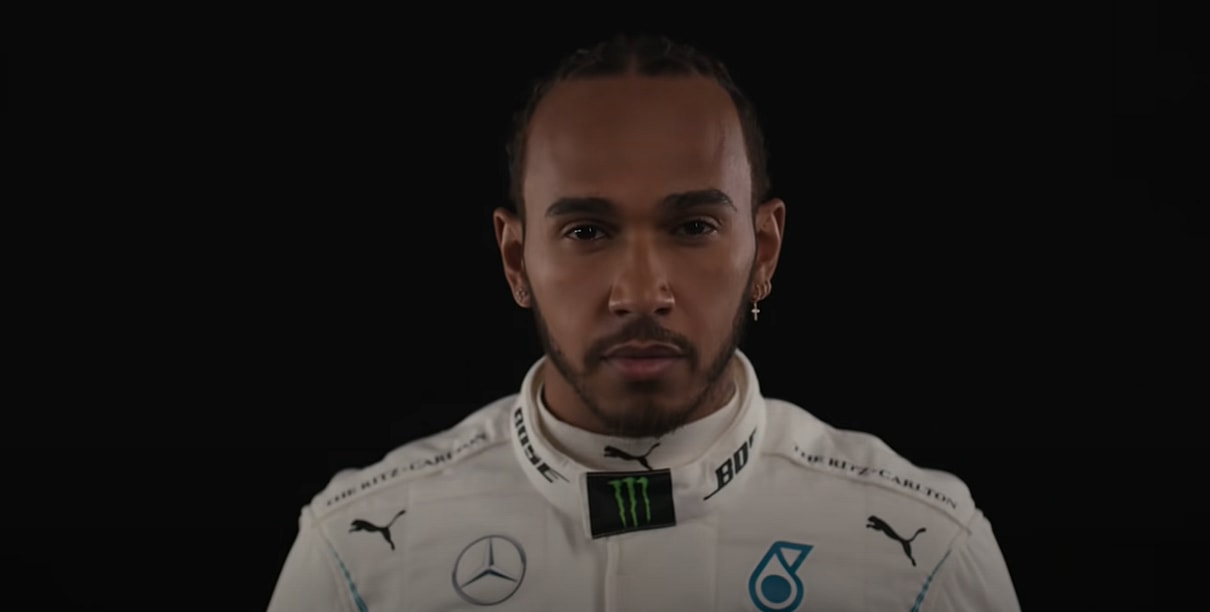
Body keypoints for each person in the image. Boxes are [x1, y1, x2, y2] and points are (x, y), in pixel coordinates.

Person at [266, 33, 1021, 611]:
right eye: (586, 232)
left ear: (763, 251)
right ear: (515, 259)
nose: (639, 294)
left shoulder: (925, 556)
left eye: (692, 227)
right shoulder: (354, 560)